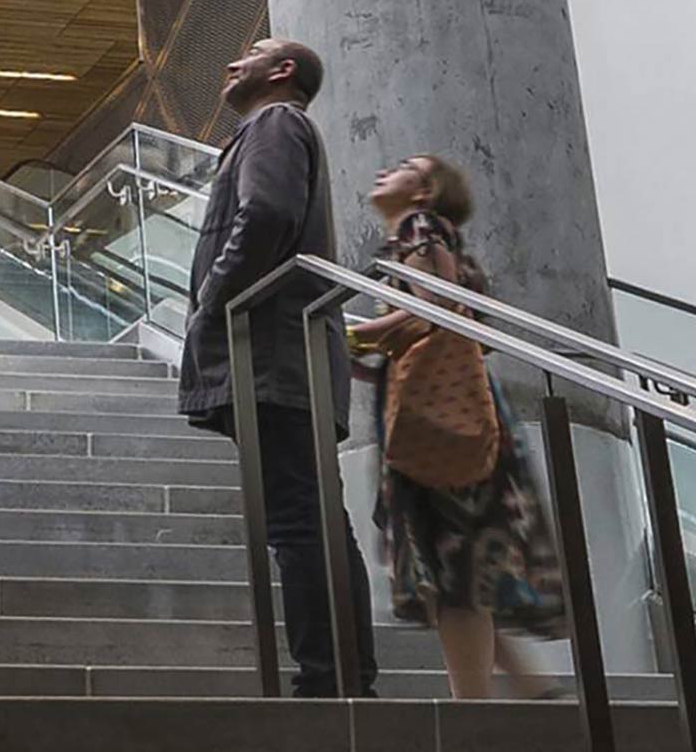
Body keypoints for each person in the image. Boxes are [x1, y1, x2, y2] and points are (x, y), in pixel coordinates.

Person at [179, 36, 377, 697]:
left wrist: (214, 300)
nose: (232, 63)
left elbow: (265, 213)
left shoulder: (274, 121)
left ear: (282, 70)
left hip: (269, 353)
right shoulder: (275, 129)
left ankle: (328, 684)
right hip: (283, 355)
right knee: (313, 516)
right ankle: (344, 678)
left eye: (251, 54)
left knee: (300, 519)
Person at [352, 155, 568, 699]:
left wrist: (362, 333)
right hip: (446, 410)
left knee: (454, 562)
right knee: (459, 557)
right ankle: (535, 693)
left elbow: (441, 305)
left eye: (404, 167)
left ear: (424, 191)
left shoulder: (420, 228)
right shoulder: (417, 236)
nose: (386, 171)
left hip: (441, 415)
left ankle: (474, 713)